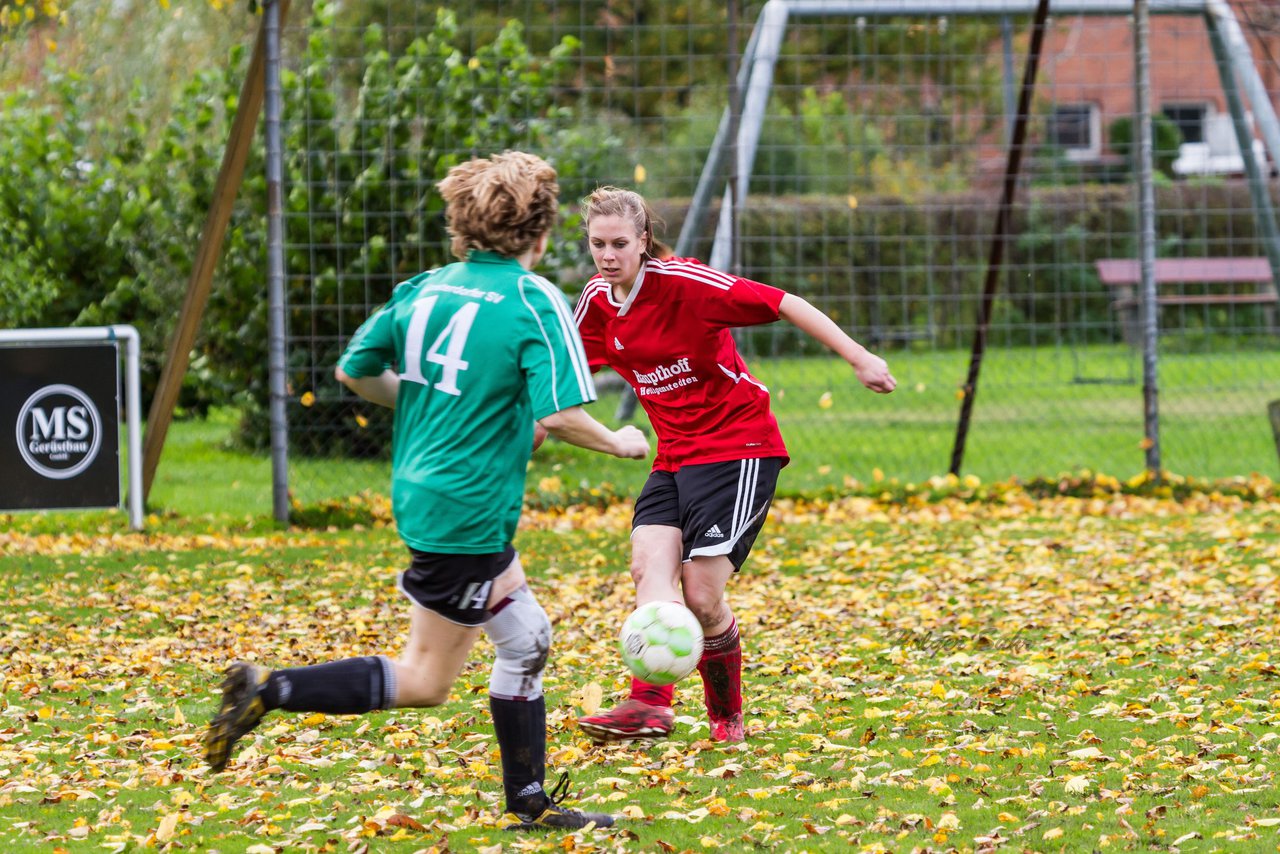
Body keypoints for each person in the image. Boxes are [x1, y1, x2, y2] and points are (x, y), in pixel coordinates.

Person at [204, 153, 649, 831]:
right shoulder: (535, 300)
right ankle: (268, 689)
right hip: (466, 513)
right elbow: (557, 415)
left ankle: (529, 801)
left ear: (463, 223)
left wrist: (448, 413)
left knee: (527, 639)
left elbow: (356, 371)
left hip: (430, 495)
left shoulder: (425, 287)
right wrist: (622, 442)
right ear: (541, 233)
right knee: (425, 679)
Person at [572, 186, 896, 744]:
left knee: (700, 595)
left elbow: (782, 302)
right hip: (674, 456)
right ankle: (649, 705)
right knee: (649, 570)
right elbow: (565, 371)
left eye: (620, 243)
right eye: (598, 244)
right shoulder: (598, 300)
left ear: (644, 240)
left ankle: (726, 716)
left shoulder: (686, 284)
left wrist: (859, 357)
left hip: (738, 448)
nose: (607, 256)